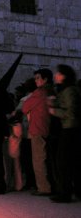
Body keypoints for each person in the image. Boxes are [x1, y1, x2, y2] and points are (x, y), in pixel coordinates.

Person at [48, 64, 81, 203]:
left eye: (58, 73)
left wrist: (53, 111)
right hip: (69, 129)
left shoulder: (69, 90)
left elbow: (71, 112)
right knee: (70, 162)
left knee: (64, 162)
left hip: (70, 129)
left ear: (64, 76)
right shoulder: (66, 90)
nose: (55, 76)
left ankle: (65, 193)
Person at [22, 68, 54, 196]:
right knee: (45, 159)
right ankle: (47, 186)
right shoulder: (50, 91)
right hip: (46, 127)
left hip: (38, 128)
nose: (36, 80)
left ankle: (44, 188)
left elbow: (25, 107)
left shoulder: (40, 92)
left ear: (45, 79)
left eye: (38, 78)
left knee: (38, 159)